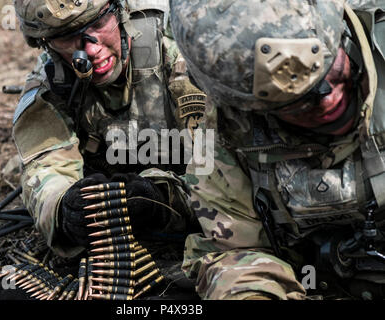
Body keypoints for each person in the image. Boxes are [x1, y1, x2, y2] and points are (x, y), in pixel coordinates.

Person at [164, 0, 385, 299]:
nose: (328, 99)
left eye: (329, 70)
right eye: (298, 103)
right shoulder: (226, 138)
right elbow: (236, 254)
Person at [12, 0, 205, 259]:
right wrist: (64, 209)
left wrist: (164, 198)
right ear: (47, 43)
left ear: (122, 11)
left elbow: (230, 180)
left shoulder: (181, 53)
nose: (90, 49)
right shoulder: (52, 88)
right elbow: (44, 171)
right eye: (67, 36)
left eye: (98, 24)